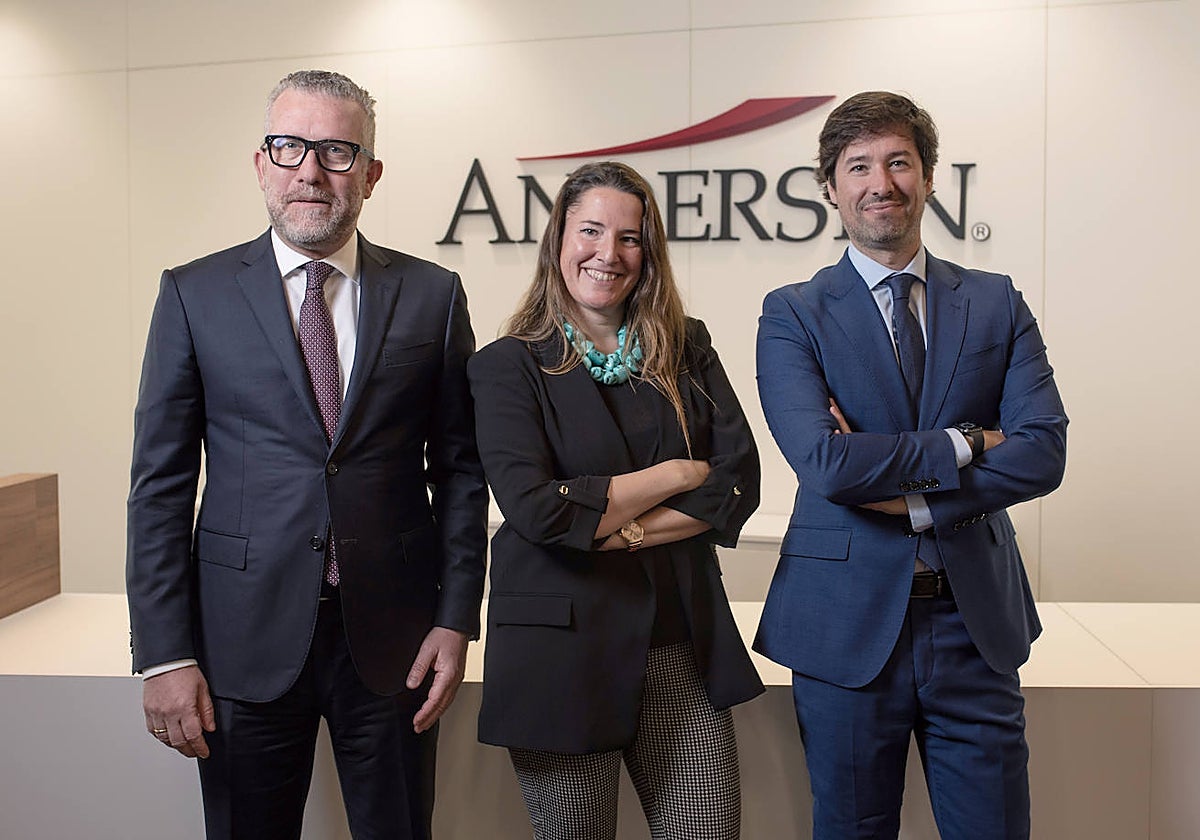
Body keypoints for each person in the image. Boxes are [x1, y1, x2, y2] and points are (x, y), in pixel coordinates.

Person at [126, 69, 487, 840]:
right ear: (261, 162)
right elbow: (160, 486)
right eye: (289, 147)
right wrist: (163, 655)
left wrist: (457, 619)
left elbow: (461, 473)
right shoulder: (195, 294)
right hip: (239, 640)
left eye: (336, 151)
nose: (310, 171)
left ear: (371, 174)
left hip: (396, 645)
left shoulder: (434, 295)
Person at [754, 91, 1068, 839]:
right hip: (844, 626)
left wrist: (916, 502)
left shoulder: (994, 302)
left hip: (974, 624)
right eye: (857, 166)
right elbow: (828, 465)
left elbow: (1044, 449)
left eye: (898, 161)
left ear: (928, 178)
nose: (880, 182)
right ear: (830, 187)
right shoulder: (792, 312)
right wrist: (970, 441)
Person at [467, 161, 764, 840]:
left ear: (649, 252)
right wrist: (676, 474)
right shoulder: (507, 366)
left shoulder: (686, 346)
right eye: (591, 231)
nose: (609, 253)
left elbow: (737, 482)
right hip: (561, 655)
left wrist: (616, 528)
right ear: (557, 240)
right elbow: (537, 510)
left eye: (630, 238)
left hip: (680, 644)